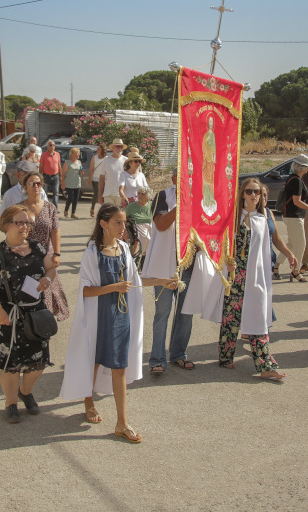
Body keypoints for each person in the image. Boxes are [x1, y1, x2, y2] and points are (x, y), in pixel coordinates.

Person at [60, 204, 157, 443]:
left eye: (124, 223)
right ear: (103, 224)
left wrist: (164, 281)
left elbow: (135, 280)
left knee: (119, 366)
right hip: (98, 316)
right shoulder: (92, 253)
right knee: (94, 360)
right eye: (118, 222)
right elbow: (85, 291)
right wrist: (113, 287)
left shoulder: (124, 249)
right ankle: (89, 401)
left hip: (120, 316)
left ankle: (122, 422)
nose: (123, 227)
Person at [0, 205, 59, 423]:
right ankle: (11, 403)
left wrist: (48, 279)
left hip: (35, 315)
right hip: (7, 317)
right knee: (11, 364)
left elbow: (51, 269)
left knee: (38, 363)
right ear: (6, 225)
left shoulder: (37, 248)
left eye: (28, 223)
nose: (25, 227)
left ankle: (25, 392)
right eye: (20, 222)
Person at [220, 179, 297, 380]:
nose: (254, 195)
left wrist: (288, 254)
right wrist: (227, 261)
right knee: (231, 316)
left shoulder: (263, 217)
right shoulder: (234, 217)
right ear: (243, 194)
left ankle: (265, 364)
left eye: (256, 191)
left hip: (256, 277)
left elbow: (272, 242)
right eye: (249, 191)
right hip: (236, 275)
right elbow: (222, 242)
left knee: (258, 318)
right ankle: (225, 356)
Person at [140, 169, 197, 373]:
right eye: (183, 176)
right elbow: (162, 225)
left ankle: (179, 354)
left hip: (188, 265)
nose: (188, 180)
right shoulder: (163, 196)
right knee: (162, 313)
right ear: (174, 179)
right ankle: (157, 359)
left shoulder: (200, 198)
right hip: (164, 267)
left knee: (185, 313)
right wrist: (182, 204)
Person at [22, 172, 70, 321]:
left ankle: (44, 319)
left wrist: (57, 253)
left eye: (38, 183)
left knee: (47, 288)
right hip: (25, 255)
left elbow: (55, 231)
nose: (35, 186)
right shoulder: (19, 208)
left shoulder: (50, 207)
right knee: (28, 289)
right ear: (25, 187)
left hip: (46, 256)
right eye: (31, 183)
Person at [280, 154, 308, 283]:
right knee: (301, 244)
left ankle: (276, 266)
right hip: (294, 216)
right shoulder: (297, 180)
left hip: (292, 215)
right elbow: (296, 201)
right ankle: (295, 271)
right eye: (307, 167)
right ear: (301, 167)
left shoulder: (293, 178)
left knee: (292, 244)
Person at [125, 186, 153, 258]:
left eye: (142, 194)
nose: (140, 196)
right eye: (139, 193)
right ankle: (144, 254)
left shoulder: (152, 205)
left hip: (151, 226)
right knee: (144, 235)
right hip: (137, 226)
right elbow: (124, 218)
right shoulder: (131, 206)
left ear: (148, 195)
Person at [97, 139, 127, 206]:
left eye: (121, 147)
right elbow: (101, 179)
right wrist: (100, 195)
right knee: (110, 215)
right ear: (112, 148)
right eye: (117, 146)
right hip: (108, 193)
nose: (119, 149)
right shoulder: (106, 161)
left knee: (120, 215)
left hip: (122, 194)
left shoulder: (126, 161)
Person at [61, 147, 84, 219]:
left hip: (77, 183)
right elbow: (63, 173)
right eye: (77, 154)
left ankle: (73, 213)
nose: (78, 155)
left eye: (79, 154)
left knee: (76, 199)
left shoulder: (79, 162)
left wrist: (81, 172)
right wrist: (62, 183)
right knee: (70, 198)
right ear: (72, 154)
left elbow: (81, 172)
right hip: (69, 183)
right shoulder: (67, 162)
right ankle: (66, 210)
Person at [39, 140, 62, 205]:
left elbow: (59, 165)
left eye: (53, 145)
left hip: (55, 176)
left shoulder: (57, 154)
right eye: (50, 145)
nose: (52, 146)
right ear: (47, 146)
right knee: (45, 192)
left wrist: (61, 175)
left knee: (56, 193)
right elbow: (41, 166)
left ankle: (55, 208)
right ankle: (45, 207)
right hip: (46, 176)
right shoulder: (43, 155)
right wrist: (40, 176)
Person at [88, 143, 107, 217]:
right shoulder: (94, 158)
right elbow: (91, 169)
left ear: (102, 150)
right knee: (97, 194)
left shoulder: (106, 159)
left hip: (104, 180)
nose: (97, 150)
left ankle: (103, 211)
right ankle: (92, 208)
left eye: (99, 149)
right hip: (95, 179)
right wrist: (90, 179)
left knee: (104, 195)